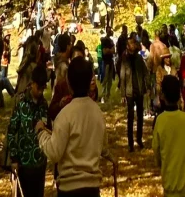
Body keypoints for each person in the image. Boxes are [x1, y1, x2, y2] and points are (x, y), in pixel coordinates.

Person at [36, 55, 108, 197]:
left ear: (68, 82)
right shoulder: (98, 113)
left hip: (70, 189)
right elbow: (103, 145)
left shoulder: (65, 115)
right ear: (89, 82)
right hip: (93, 189)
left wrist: (41, 133)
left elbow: (54, 152)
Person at [6, 64, 50, 197]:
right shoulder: (21, 103)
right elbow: (12, 131)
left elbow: (49, 129)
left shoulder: (44, 105)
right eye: (39, 87)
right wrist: (14, 158)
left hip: (40, 163)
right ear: (32, 84)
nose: (41, 91)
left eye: (43, 88)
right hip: (24, 163)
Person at [153, 73, 185, 197]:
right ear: (179, 95)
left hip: (170, 184)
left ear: (163, 96)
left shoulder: (160, 121)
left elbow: (156, 151)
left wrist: (161, 164)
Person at [120, 33, 149, 150]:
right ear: (127, 46)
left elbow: (145, 72)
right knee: (131, 117)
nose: (133, 45)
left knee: (140, 117)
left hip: (139, 90)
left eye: (133, 43)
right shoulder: (125, 59)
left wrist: (146, 86)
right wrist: (122, 94)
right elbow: (122, 77)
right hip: (129, 92)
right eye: (131, 44)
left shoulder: (139, 58)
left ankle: (139, 139)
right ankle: (130, 143)